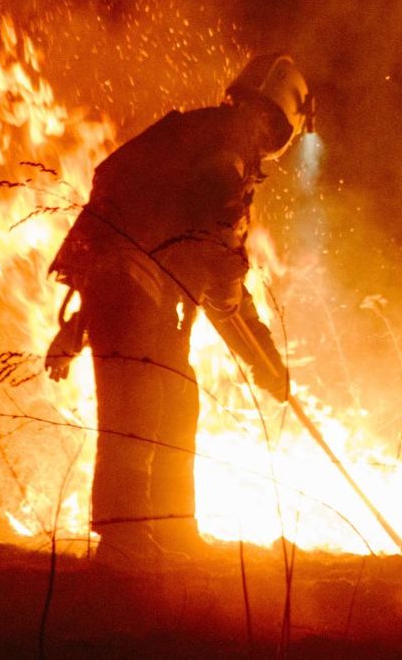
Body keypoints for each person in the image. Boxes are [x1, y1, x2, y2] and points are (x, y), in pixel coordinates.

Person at [44, 54, 312, 567]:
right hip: (138, 290)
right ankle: (123, 542)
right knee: (137, 406)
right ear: (279, 122)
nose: (263, 129)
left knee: (177, 398)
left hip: (136, 291)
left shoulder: (198, 135)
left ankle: (173, 531)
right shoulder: (226, 149)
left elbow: (142, 233)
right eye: (269, 122)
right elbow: (217, 261)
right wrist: (264, 362)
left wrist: (76, 330)